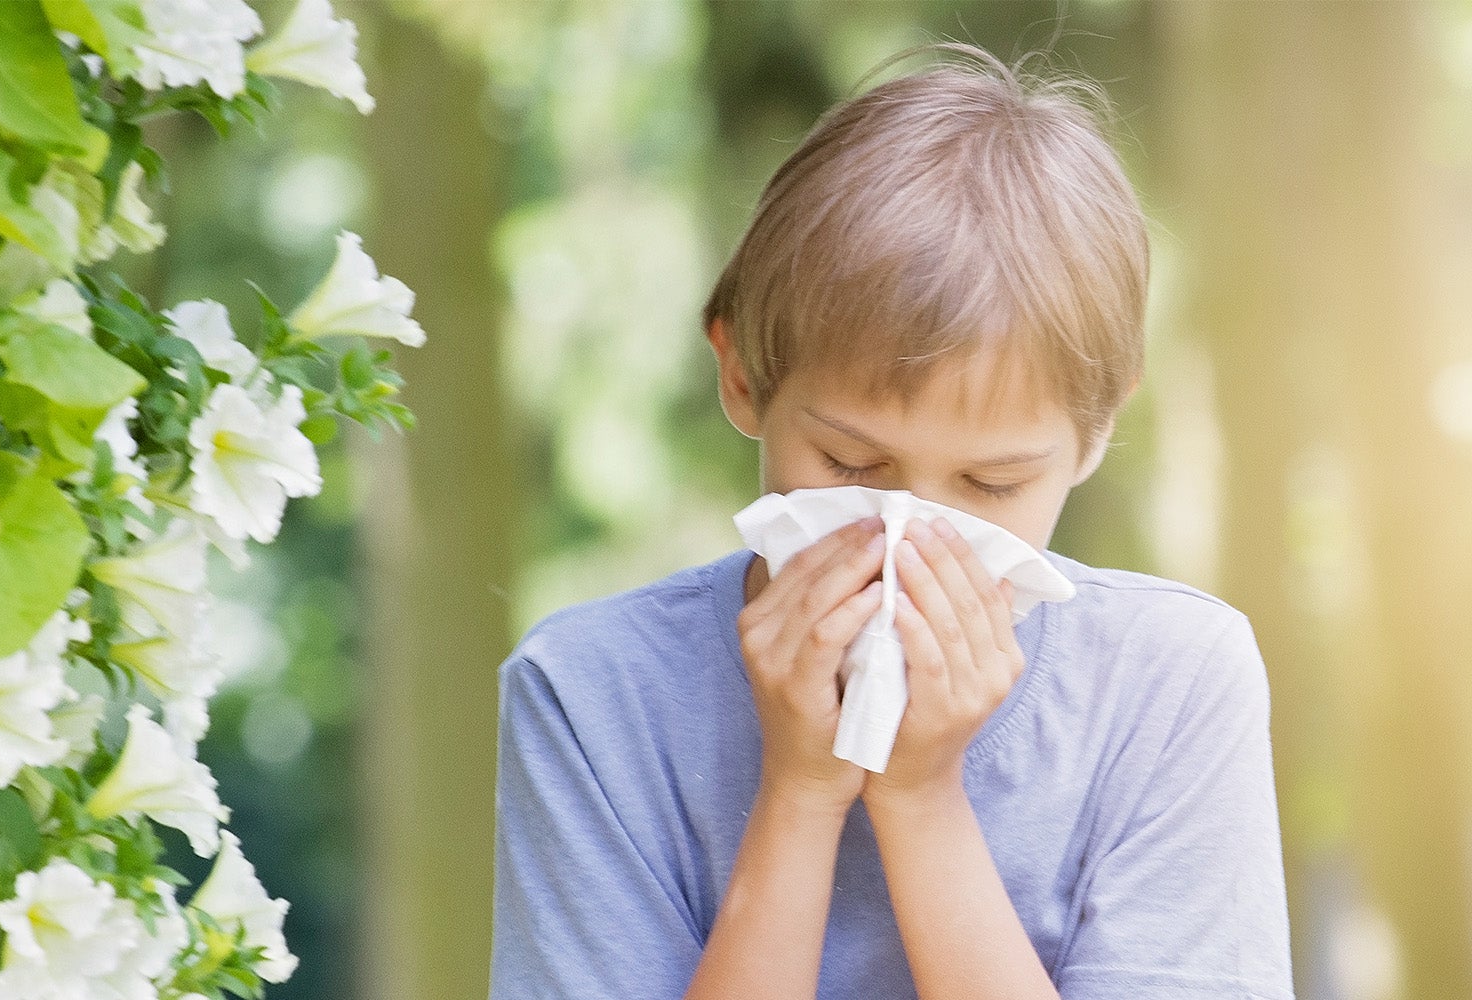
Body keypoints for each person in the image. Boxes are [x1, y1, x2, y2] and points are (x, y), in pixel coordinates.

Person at [490, 41, 1293, 1000]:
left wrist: (921, 796)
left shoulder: (1170, 684)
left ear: (1098, 430)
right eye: (851, 466)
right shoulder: (590, 696)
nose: (910, 534)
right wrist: (799, 793)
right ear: (741, 375)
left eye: (993, 483)